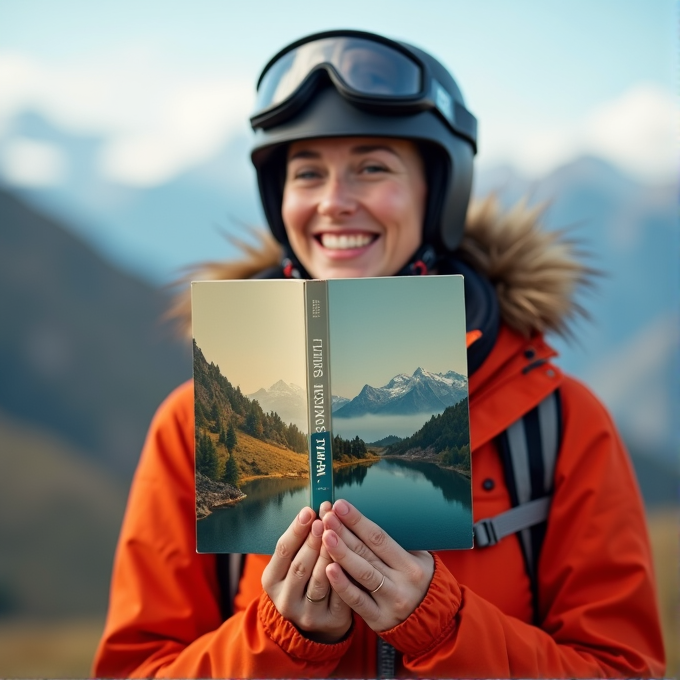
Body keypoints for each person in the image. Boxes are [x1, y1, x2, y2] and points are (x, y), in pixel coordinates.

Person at [93, 30, 665, 678]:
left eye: (373, 167)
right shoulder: (192, 426)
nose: (335, 200)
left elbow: (623, 669)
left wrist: (441, 625)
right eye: (307, 171)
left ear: (437, 196)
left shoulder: (559, 424)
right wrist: (282, 642)